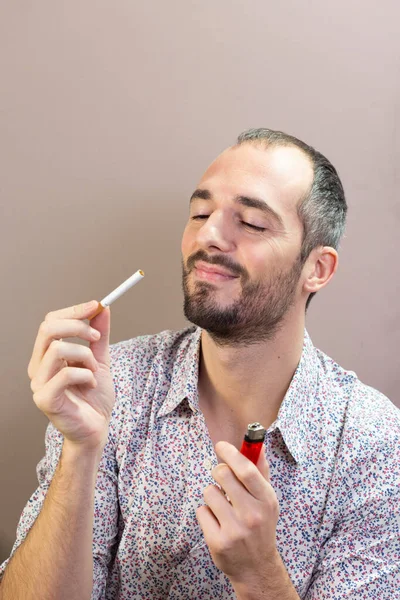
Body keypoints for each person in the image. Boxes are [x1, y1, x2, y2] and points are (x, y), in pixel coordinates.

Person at [0, 128, 399, 600]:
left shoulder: (377, 447)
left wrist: (260, 576)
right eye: (201, 213)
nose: (208, 234)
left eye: (251, 222)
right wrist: (80, 450)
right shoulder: (113, 387)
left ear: (317, 269)